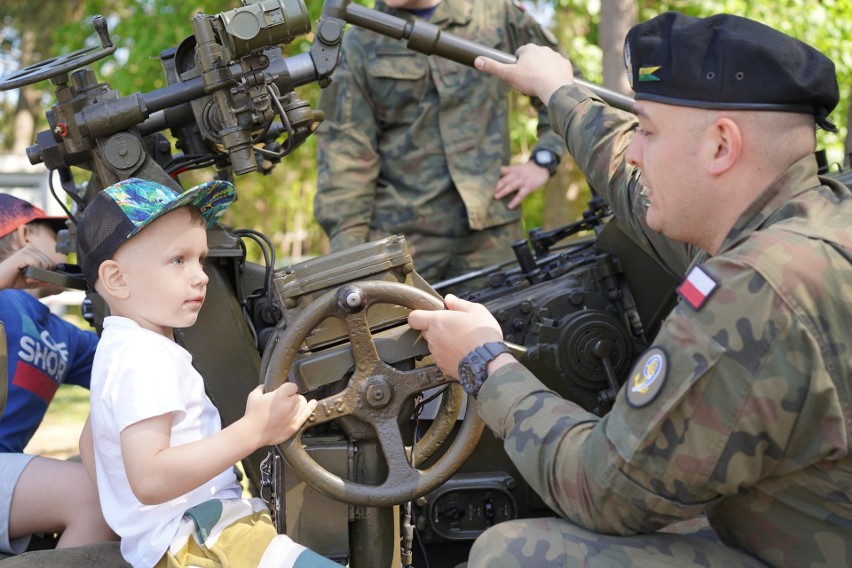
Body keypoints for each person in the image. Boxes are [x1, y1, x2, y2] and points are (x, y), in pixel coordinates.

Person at [408, 11, 851, 568]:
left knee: (515, 555)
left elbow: (603, 489)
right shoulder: (811, 219)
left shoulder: (759, 287)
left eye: (647, 130)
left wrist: (484, 364)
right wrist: (556, 89)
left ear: (720, 147)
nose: (636, 151)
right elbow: (627, 179)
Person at [74, 178, 339, 568]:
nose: (199, 275)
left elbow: (90, 441)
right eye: (178, 260)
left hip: (193, 538)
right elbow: (148, 478)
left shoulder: (124, 347)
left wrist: (134, 521)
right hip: (205, 542)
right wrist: (254, 431)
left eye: (200, 259)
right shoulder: (144, 356)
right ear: (117, 279)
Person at [314, 0, 568, 284]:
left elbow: (563, 87)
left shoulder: (496, 14)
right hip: (402, 242)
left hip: (493, 233)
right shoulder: (360, 40)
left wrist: (544, 158)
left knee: (507, 325)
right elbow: (345, 153)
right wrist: (352, 259)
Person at [0, 193, 117, 556]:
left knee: (112, 484)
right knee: (96, 500)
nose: (71, 245)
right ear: (25, 236)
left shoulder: (62, 333)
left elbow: (123, 363)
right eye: (60, 233)